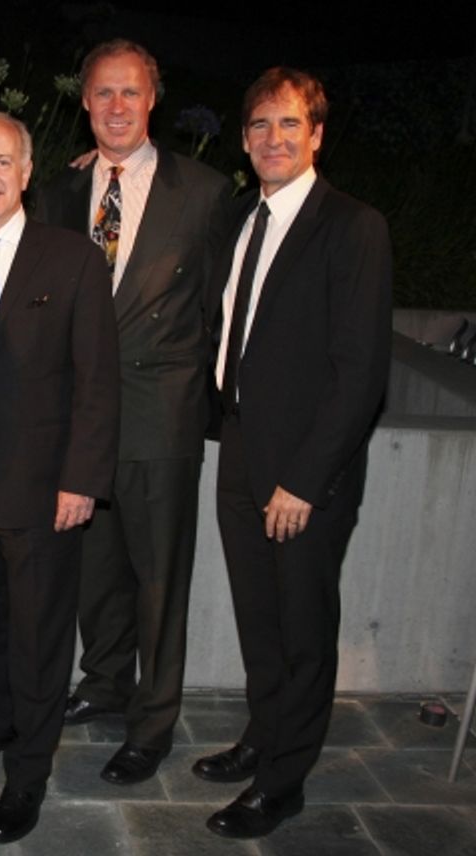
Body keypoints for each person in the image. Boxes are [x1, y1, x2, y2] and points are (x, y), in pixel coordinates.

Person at [196, 67, 391, 839]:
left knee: (303, 627)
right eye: (260, 126)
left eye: (289, 125)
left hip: (307, 470)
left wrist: (306, 480)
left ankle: (284, 782)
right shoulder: (241, 216)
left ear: (315, 134)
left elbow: (360, 372)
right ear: (244, 140)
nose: (273, 139)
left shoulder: (352, 225)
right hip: (241, 445)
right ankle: (262, 735)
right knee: (258, 618)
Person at [34, 39, 232, 785]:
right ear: (84, 103)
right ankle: (105, 682)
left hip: (160, 412)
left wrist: (202, 400)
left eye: (131, 93)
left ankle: (153, 720)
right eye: (103, 94)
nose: (117, 107)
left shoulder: (207, 192)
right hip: (81, 417)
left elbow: (220, 307)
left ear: (153, 102)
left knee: (158, 581)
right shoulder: (57, 193)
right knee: (94, 569)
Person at [0, 112, 119, 844]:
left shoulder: (71, 259)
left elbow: (97, 382)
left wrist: (82, 479)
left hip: (43, 487)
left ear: (27, 170)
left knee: (39, 636)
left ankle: (27, 775)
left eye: (1, 162)